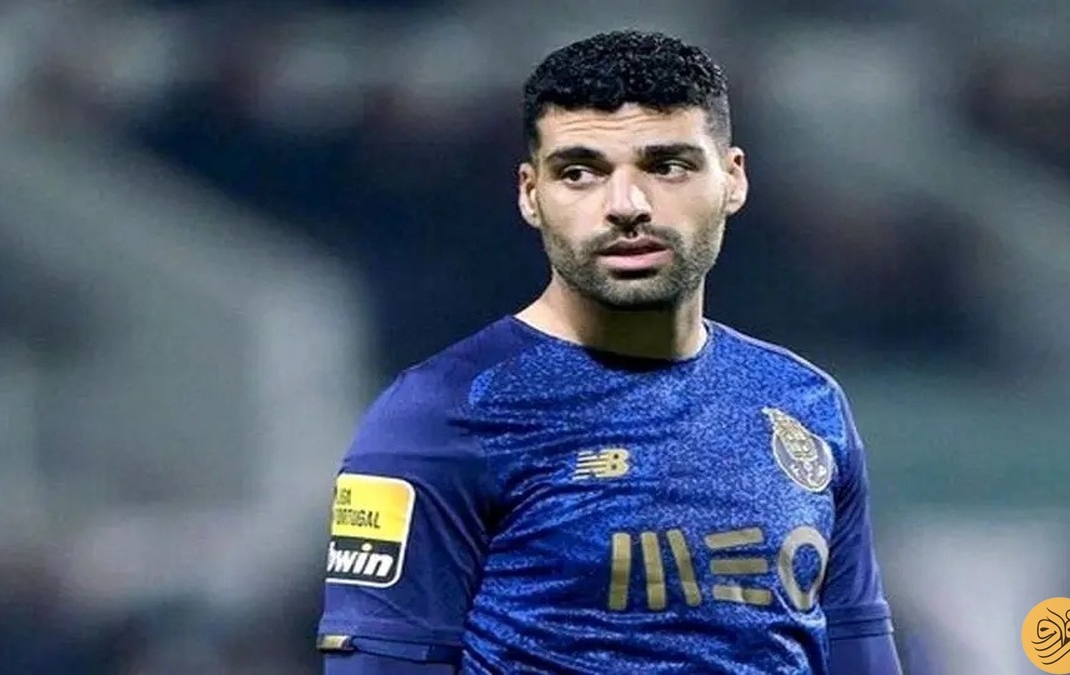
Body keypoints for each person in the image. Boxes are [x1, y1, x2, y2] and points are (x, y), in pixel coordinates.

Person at [317, 29, 902, 674]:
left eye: (668, 166)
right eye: (580, 173)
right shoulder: (438, 415)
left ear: (733, 179)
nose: (626, 205)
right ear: (530, 194)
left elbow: (859, 652)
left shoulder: (805, 401)